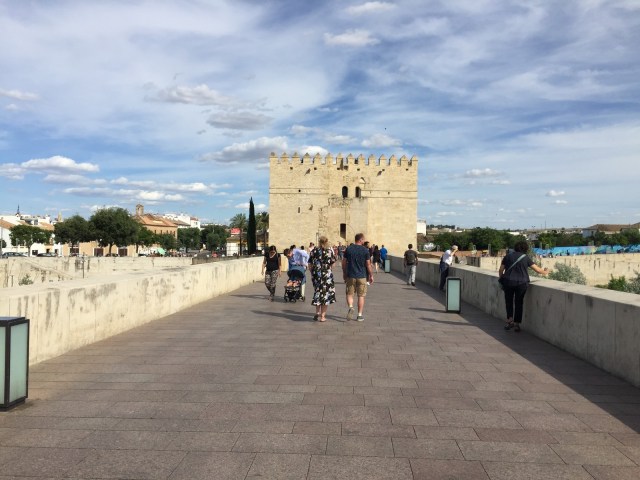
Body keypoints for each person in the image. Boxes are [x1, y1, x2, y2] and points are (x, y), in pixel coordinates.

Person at [499, 241, 551, 332]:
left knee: (509, 301)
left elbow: (501, 270)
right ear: (526, 249)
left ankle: (510, 320)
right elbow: (538, 270)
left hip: (508, 282)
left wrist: (502, 278)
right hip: (522, 283)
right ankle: (517, 323)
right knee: (519, 302)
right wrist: (546, 271)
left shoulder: (507, 256)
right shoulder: (525, 258)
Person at [342, 233, 374, 322]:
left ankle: (351, 307)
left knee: (349, 294)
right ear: (360, 240)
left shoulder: (349, 249)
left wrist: (344, 273)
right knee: (361, 296)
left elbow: (344, 263)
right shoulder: (365, 250)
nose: (364, 241)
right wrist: (371, 275)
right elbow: (368, 264)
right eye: (363, 239)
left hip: (351, 275)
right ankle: (359, 315)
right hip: (362, 276)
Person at [309, 235, 336, 322]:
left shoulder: (314, 251)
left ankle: (317, 313)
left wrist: (313, 273)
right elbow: (333, 264)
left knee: (318, 292)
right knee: (325, 295)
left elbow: (310, 264)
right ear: (326, 242)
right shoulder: (329, 251)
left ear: (319, 242)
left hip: (317, 274)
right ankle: (323, 316)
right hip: (326, 275)